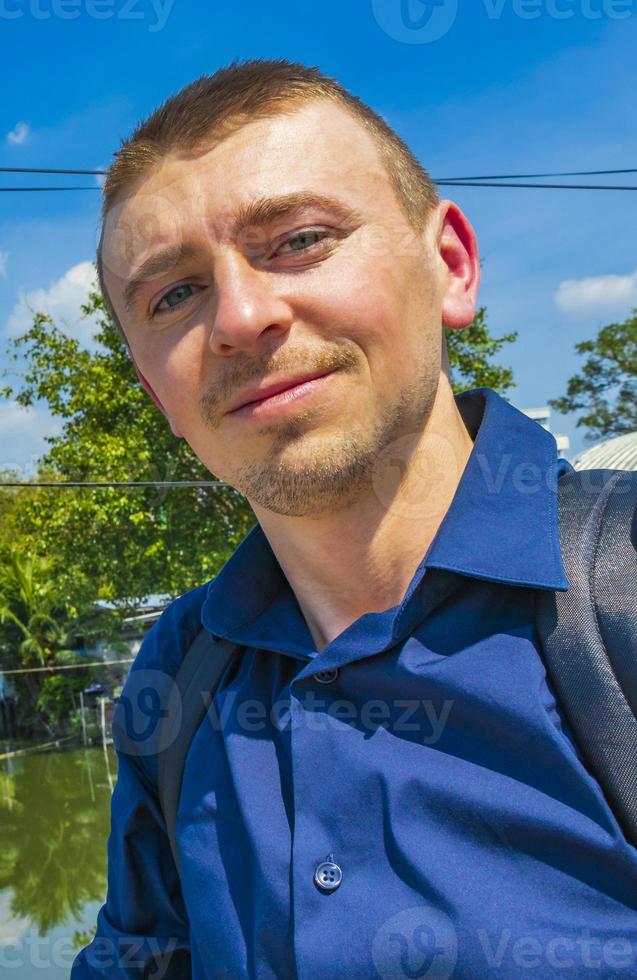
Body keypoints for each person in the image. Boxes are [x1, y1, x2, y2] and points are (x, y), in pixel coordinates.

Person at [72, 59, 637, 979]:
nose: (241, 317)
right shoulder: (179, 668)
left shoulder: (619, 590)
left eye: (297, 239)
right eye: (173, 294)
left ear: (449, 265)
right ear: (154, 389)